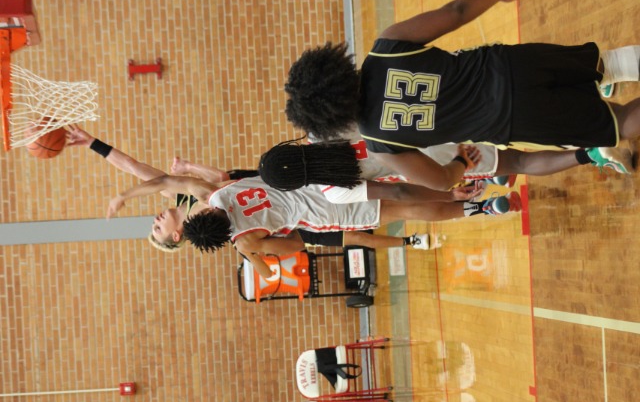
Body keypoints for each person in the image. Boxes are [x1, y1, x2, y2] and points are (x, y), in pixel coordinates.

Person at [284, 0, 640, 190]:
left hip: (513, 119)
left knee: (620, 123)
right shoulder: (386, 47)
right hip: (511, 64)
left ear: (330, 121)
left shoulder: (380, 143)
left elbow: (441, 181)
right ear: (330, 66)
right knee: (607, 64)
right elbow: (455, 12)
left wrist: (459, 161)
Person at [66, 125, 444, 252]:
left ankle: (444, 170)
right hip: (295, 217)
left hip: (279, 183)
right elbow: (286, 246)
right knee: (358, 230)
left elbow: (135, 168)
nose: (154, 220)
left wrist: (93, 144)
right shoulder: (221, 230)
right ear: (176, 235)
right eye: (157, 228)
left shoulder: (185, 194)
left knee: (378, 178)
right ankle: (415, 232)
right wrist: (263, 251)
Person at [105, 174, 520, 278]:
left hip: (326, 214)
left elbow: (294, 249)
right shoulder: (213, 194)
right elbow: (166, 180)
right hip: (321, 180)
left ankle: (483, 206)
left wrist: (255, 255)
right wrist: (126, 195)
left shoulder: (245, 242)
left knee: (406, 208)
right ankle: (479, 177)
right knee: (403, 182)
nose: (158, 221)